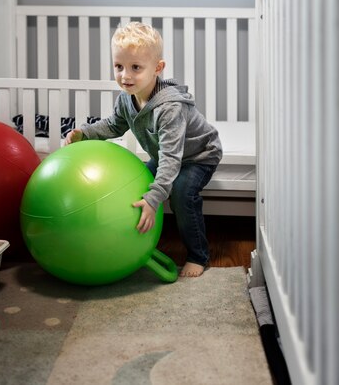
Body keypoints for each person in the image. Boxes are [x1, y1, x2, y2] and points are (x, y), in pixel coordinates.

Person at [65, 21, 222, 277]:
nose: (125, 76)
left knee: (180, 193)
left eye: (135, 67)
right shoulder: (127, 99)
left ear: (157, 68)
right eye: (119, 66)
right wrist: (85, 133)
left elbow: (172, 159)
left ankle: (198, 255)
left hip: (198, 155)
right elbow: (114, 125)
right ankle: (139, 241)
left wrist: (155, 197)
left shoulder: (169, 108)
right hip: (166, 155)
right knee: (138, 184)